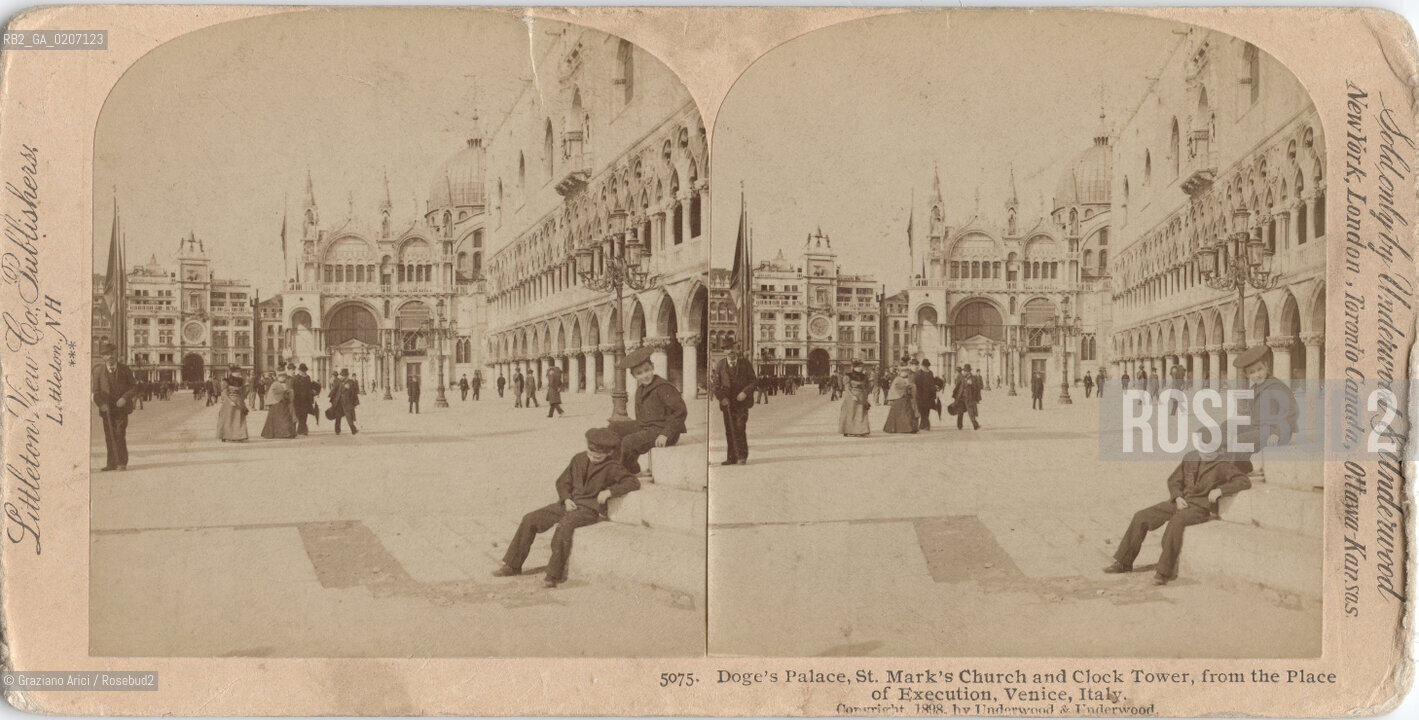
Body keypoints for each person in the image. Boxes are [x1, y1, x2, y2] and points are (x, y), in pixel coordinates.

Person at [492, 427, 641, 588]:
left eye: (598, 457)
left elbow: (633, 482)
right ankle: (513, 565)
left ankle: (553, 574)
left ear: (609, 453)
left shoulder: (612, 466)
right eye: (590, 454)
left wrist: (610, 491)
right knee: (530, 519)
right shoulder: (578, 459)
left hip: (588, 510)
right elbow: (562, 482)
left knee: (564, 526)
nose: (593, 458)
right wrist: (566, 498)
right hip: (569, 503)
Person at [1102, 443, 1253, 586]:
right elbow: (1174, 480)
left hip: (1200, 508)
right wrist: (1177, 496)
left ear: (1217, 450)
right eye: (1202, 451)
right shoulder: (1190, 457)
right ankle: (1123, 562)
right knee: (1141, 516)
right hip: (1180, 501)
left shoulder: (1224, 464)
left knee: (1176, 523)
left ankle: (1163, 572)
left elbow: (1244, 481)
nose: (1205, 455)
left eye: (1209, 453)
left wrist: (1221, 490)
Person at [611, 347, 688, 473]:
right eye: (639, 373)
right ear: (634, 376)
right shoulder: (641, 389)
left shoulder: (663, 387)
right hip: (647, 427)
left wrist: (666, 434)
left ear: (652, 367)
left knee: (628, 442)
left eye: (647, 370)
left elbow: (680, 411)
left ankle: (622, 473)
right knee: (614, 427)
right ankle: (625, 466)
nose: (645, 375)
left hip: (664, 431)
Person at [1232, 345, 1299, 451]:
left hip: (1275, 432)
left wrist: (1277, 433)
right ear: (1247, 375)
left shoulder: (1276, 386)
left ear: (1266, 366)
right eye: (1252, 372)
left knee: (1240, 440)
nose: (1257, 375)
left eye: (1260, 369)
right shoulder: (1254, 389)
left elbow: (1291, 411)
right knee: (1227, 428)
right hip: (1259, 428)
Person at [93, 344, 137, 471]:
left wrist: (125, 398)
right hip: (107, 410)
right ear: (103, 357)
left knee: (119, 433)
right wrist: (101, 405)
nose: (110, 356)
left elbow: (133, 387)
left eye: (112, 353)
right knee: (109, 435)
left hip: (121, 408)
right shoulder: (98, 371)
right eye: (107, 354)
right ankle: (111, 463)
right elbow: (95, 392)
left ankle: (122, 462)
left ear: (116, 355)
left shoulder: (125, 369)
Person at [714, 344, 757, 465]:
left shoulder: (745, 363)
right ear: (725, 352)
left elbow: (754, 381)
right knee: (729, 430)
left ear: (737, 351)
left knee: (739, 427)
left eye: (733, 350)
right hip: (727, 403)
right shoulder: (720, 364)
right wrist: (722, 398)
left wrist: (745, 392)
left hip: (742, 402)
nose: (731, 353)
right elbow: (715, 384)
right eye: (728, 350)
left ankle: (742, 456)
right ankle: (731, 457)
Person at [260, 371, 298, 439]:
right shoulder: (275, 384)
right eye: (282, 377)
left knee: (284, 418)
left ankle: (286, 433)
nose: (283, 378)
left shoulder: (283, 384)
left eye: (284, 377)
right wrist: (284, 392)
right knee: (281, 418)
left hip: (281, 403)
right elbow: (275, 392)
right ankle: (283, 433)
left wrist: (287, 392)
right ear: (278, 377)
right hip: (276, 403)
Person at [839, 359, 872, 437]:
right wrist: (852, 395)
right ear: (854, 367)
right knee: (851, 413)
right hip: (852, 397)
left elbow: (867, 386)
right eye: (858, 367)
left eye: (861, 367)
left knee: (861, 413)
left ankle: (860, 430)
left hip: (861, 396)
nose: (860, 368)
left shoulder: (864, 376)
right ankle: (848, 430)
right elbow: (847, 387)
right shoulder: (848, 376)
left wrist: (866, 394)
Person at [883, 365, 919, 434]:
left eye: (906, 371)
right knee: (899, 413)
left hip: (907, 399)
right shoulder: (897, 379)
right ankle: (903, 428)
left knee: (908, 413)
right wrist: (905, 388)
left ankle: (910, 428)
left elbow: (912, 386)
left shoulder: (908, 379)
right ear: (900, 372)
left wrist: (911, 388)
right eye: (903, 372)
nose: (905, 373)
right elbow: (896, 387)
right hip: (899, 398)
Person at [217, 367, 250, 442]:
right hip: (229, 403)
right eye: (237, 372)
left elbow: (243, 393)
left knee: (238, 419)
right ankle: (225, 435)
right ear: (232, 373)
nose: (239, 374)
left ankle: (239, 436)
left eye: (239, 372)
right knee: (228, 419)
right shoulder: (226, 381)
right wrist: (230, 401)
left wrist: (247, 390)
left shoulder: (242, 381)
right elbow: (224, 393)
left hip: (238, 402)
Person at [332, 368, 359, 435]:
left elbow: (353, 393)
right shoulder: (338, 381)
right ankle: (337, 430)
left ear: (347, 375)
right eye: (342, 375)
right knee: (338, 416)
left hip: (347, 402)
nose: (343, 377)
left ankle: (353, 430)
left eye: (344, 375)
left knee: (349, 417)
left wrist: (353, 403)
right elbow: (335, 391)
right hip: (339, 402)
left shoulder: (351, 382)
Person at [954, 363, 981, 430]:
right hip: (961, 397)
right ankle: (959, 426)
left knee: (971, 412)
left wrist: (971, 384)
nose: (965, 372)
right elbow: (957, 386)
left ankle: (975, 425)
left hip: (969, 398)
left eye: (966, 371)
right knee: (960, 412)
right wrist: (956, 396)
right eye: (964, 371)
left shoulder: (973, 378)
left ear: (969, 371)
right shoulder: (962, 377)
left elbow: (977, 387)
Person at [291, 364, 315, 436]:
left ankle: (302, 430)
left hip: (306, 400)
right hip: (297, 400)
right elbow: (293, 388)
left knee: (304, 415)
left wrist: (312, 395)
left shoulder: (308, 378)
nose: (303, 372)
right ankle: (302, 429)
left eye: (304, 371)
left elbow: (309, 388)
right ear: (299, 370)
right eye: (302, 371)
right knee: (298, 414)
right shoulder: (295, 378)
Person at [914, 359, 937, 430]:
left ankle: (926, 425)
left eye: (927, 366)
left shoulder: (928, 373)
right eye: (925, 366)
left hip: (926, 395)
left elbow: (932, 383)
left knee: (925, 410)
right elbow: (917, 384)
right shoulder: (921, 373)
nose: (926, 367)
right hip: (922, 395)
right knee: (923, 410)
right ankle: (923, 425)